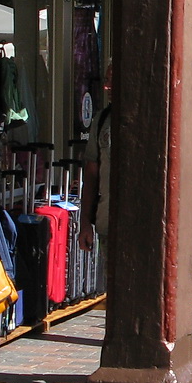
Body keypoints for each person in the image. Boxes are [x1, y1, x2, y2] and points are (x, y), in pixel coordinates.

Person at [78, 63, 112, 256]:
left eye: (112, 80)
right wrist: (85, 223)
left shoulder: (148, 118)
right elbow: (91, 176)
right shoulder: (101, 120)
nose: (107, 87)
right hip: (107, 222)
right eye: (106, 80)